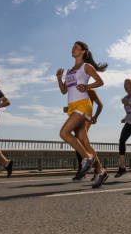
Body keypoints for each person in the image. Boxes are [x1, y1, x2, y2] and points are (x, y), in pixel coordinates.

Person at [57, 41, 109, 189]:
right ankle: (100, 171)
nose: (73, 49)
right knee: (85, 143)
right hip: (73, 107)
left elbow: (100, 81)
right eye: (72, 47)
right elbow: (63, 91)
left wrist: (87, 86)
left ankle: (87, 158)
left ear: (83, 52)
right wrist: (59, 79)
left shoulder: (86, 67)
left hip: (83, 105)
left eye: (76, 48)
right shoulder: (70, 70)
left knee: (64, 133)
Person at [65, 89, 104, 181]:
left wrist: (95, 117)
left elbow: (100, 105)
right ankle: (96, 170)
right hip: (77, 118)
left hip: (85, 119)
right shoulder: (76, 92)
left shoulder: (90, 91)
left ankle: (86, 171)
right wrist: (68, 109)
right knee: (81, 144)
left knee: (82, 144)